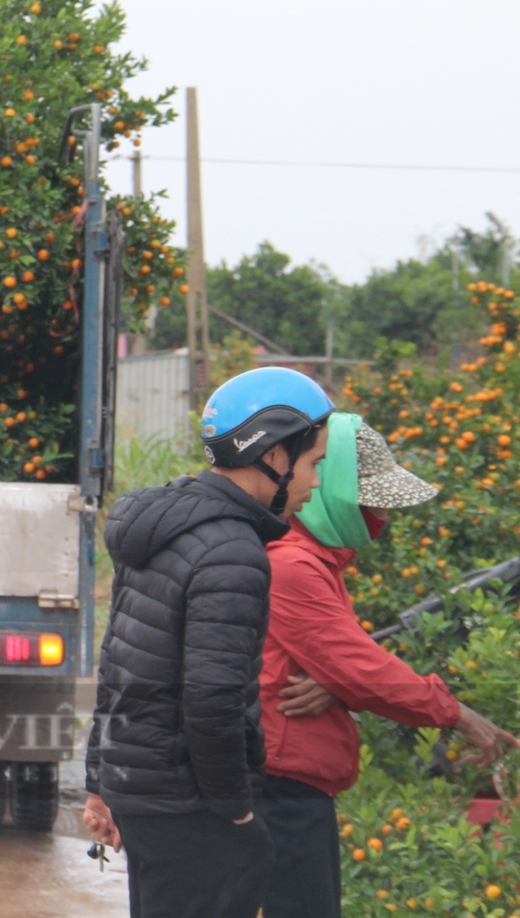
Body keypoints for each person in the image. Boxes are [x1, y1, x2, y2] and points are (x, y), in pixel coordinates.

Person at [83, 366, 334, 918]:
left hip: (144, 792)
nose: (315, 482)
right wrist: (237, 814)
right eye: (314, 462)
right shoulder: (232, 551)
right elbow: (214, 698)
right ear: (273, 456)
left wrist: (100, 781)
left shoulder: (166, 529)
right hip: (189, 804)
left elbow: (116, 665)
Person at [257, 415, 520, 918]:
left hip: (295, 782)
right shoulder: (292, 565)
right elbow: (360, 666)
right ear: (324, 483)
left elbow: (341, 662)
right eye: (370, 497)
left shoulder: (313, 560)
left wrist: (337, 684)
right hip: (282, 788)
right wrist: (456, 712)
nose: (379, 513)